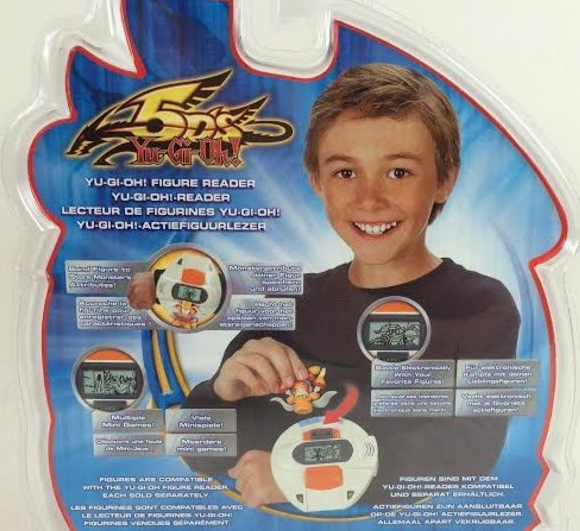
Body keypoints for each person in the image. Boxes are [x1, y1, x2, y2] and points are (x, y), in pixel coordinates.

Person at [128, 63, 519, 508]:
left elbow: (471, 449)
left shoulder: (484, 305)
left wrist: (301, 474)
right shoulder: (289, 302)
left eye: (398, 172)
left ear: (445, 180)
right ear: (317, 180)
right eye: (346, 173)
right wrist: (219, 393)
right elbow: (200, 449)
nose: (369, 199)